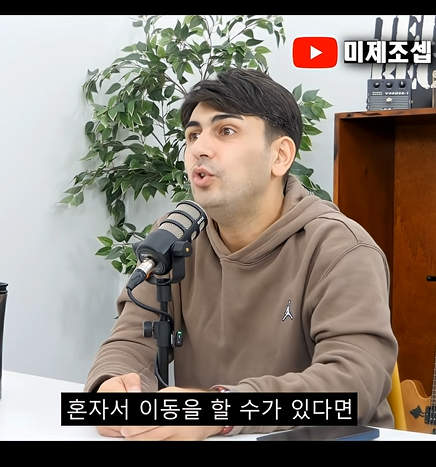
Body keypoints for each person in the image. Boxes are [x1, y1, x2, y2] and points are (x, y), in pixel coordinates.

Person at [84, 67, 398, 441]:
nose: (199, 148)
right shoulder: (175, 237)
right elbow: (132, 340)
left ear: (280, 155)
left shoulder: (340, 248)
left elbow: (353, 385)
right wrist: (110, 387)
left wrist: (220, 410)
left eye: (226, 131)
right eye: (193, 135)